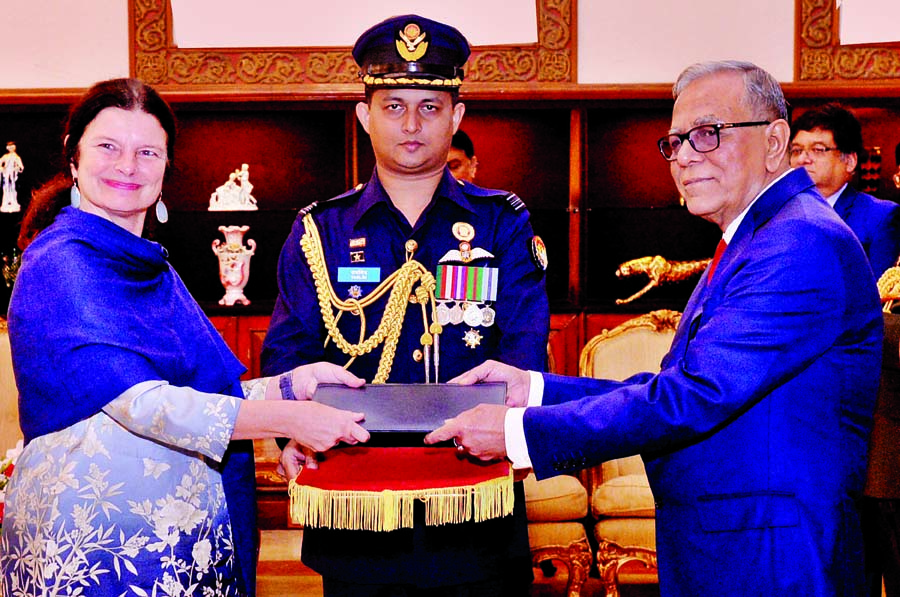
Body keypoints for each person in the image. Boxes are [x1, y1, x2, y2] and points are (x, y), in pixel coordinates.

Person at [427, 60, 884, 596]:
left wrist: (515, 433)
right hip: (739, 545)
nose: (686, 157)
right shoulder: (759, 237)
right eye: (676, 142)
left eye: (709, 135)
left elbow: (694, 396)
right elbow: (676, 387)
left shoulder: (797, 241)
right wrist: (534, 390)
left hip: (773, 556)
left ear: (776, 139)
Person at [0, 78, 370, 597]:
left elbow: (199, 397)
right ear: (73, 156)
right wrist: (291, 420)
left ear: (167, 166)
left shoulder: (150, 266)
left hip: (182, 548)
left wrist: (295, 385)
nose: (128, 166)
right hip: (97, 553)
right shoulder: (63, 260)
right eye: (108, 146)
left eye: (147, 151)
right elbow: (145, 405)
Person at [260, 14, 549, 597]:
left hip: (477, 511)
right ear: (365, 116)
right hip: (358, 515)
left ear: (457, 117)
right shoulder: (320, 229)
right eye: (393, 106)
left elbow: (524, 353)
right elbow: (286, 356)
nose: (412, 124)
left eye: (430, 106)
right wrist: (290, 431)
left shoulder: (503, 223)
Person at [789, 103, 900, 277]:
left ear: (849, 161)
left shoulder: (879, 217)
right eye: (796, 151)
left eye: (817, 150)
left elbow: (878, 295)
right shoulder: (774, 214)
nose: (803, 159)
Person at [0, 141, 24, 212]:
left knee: (13, 188)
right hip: (6, 174)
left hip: (13, 175)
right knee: (6, 187)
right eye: (9, 147)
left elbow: (21, 167)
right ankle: (5, 202)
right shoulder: (5, 156)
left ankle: (13, 202)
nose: (11, 148)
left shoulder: (16, 157)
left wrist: (17, 168)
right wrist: (2, 169)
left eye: (12, 146)